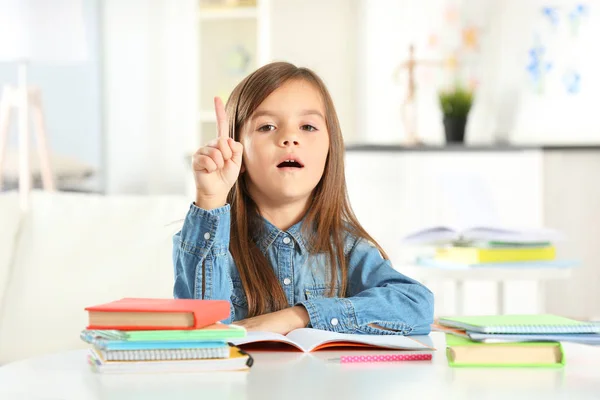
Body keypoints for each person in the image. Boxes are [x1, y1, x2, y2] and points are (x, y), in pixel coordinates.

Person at [173, 61, 433, 335]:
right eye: (267, 127)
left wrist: (298, 316)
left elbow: (417, 306)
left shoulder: (347, 249)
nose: (289, 138)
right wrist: (210, 196)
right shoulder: (205, 242)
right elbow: (203, 329)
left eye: (307, 127)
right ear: (236, 150)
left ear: (330, 150)